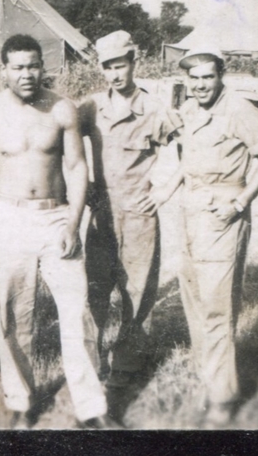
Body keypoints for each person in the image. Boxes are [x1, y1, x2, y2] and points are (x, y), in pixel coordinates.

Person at [0, 34, 117, 429]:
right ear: (4, 70)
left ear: (43, 66)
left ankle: (91, 407)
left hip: (56, 218)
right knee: (14, 314)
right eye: (17, 67)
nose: (26, 74)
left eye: (33, 65)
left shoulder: (62, 109)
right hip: (9, 219)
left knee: (77, 311)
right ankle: (19, 402)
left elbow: (76, 167)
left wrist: (73, 221)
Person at [152, 45, 258, 427]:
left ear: (220, 77)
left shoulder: (240, 111)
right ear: (186, 82)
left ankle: (223, 397)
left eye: (208, 77)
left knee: (217, 306)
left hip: (223, 215)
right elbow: (186, 160)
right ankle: (206, 376)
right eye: (194, 79)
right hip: (190, 213)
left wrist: (239, 203)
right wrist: (168, 188)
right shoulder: (190, 111)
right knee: (192, 296)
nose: (201, 85)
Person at [78, 30, 181, 396]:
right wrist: (82, 186)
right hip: (102, 211)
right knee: (95, 289)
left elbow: (187, 146)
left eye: (120, 65)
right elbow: (63, 142)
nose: (114, 74)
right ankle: (91, 361)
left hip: (139, 210)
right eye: (107, 67)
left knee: (137, 291)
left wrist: (165, 190)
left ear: (133, 62)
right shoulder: (91, 107)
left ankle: (127, 363)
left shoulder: (154, 108)